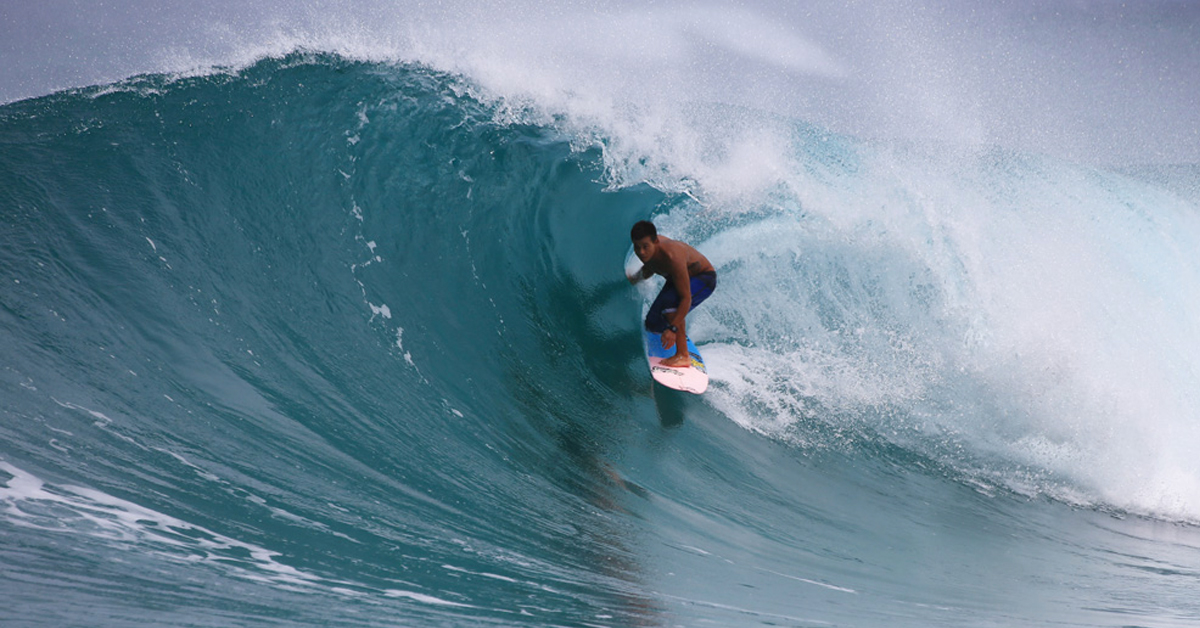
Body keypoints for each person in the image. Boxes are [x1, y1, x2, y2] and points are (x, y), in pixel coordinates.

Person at [627, 220, 717, 368]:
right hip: (677, 279)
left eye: (645, 247)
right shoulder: (648, 252)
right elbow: (651, 267)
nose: (641, 252)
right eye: (637, 247)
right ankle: (672, 332)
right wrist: (634, 278)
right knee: (652, 324)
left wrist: (673, 328)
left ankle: (683, 355)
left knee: (670, 305)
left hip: (703, 279)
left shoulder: (672, 256)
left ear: (655, 242)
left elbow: (685, 298)